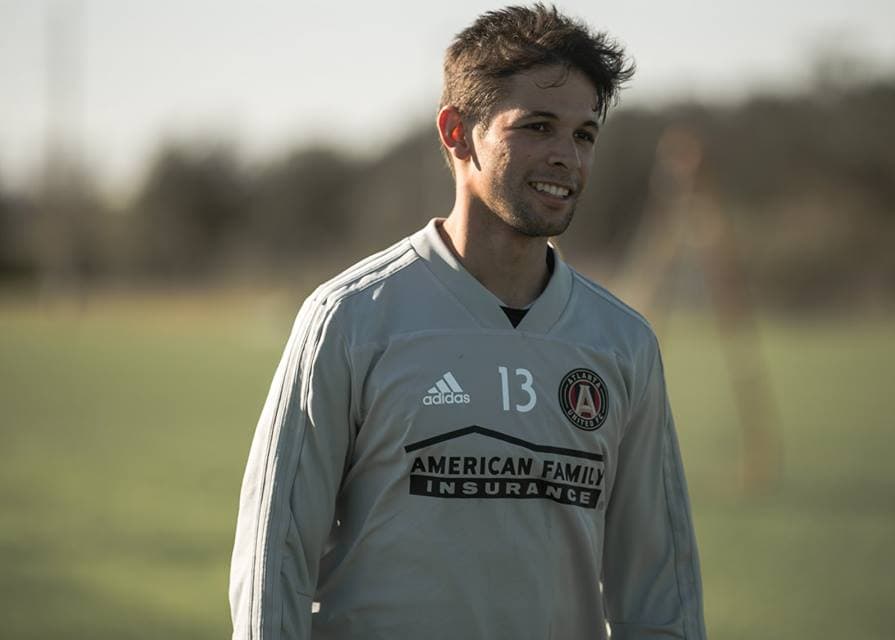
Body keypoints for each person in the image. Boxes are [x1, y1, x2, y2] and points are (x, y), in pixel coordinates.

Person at [229, 4, 706, 639]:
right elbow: (274, 560)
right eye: (538, 127)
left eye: (584, 134)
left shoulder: (622, 343)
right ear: (457, 132)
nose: (566, 156)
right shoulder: (350, 318)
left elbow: (660, 594)